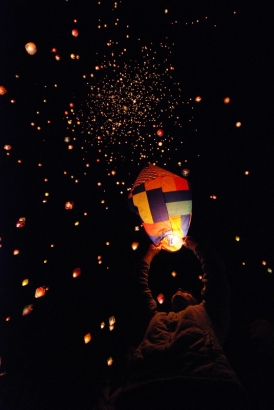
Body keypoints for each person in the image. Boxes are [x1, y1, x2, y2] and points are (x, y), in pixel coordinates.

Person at [97, 237, 250, 410]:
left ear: (195, 299)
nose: (179, 289)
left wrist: (191, 244)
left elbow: (214, 271)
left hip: (207, 386)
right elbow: (137, 287)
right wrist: (151, 253)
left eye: (185, 291)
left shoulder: (209, 313)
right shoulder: (155, 319)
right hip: (146, 391)